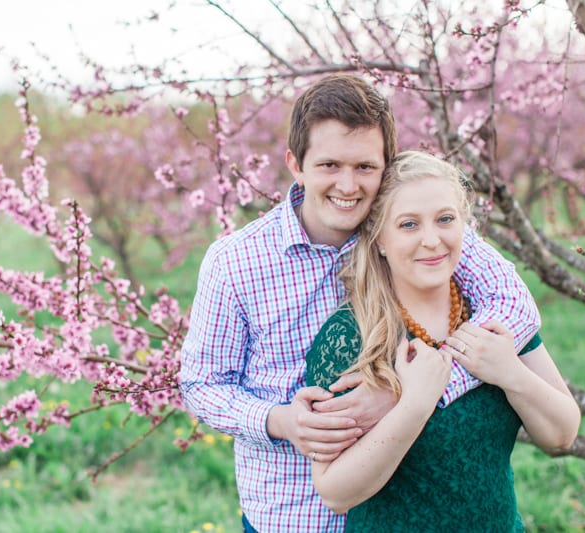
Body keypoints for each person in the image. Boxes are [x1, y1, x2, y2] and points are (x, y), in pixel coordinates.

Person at [179, 74, 542, 533]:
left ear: (385, 166)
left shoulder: (412, 228)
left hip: (398, 506)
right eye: (329, 165)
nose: (348, 186)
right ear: (296, 163)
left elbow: (516, 305)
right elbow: (202, 384)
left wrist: (413, 388)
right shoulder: (237, 261)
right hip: (295, 514)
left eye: (365, 167)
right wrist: (280, 420)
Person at [306, 150, 580, 532]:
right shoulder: (351, 336)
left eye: (445, 220)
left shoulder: (493, 317)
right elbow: (335, 493)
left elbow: (561, 435)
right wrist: (414, 405)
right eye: (408, 225)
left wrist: (510, 373)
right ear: (380, 238)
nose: (432, 240)